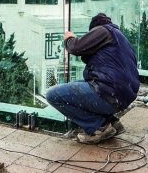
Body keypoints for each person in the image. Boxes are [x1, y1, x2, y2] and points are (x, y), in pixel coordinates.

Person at [45, 13, 139, 144]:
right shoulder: (122, 40)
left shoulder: (104, 30)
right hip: (121, 97)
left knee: (52, 94)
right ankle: (111, 121)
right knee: (76, 84)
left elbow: (77, 48)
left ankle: (98, 127)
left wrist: (69, 38)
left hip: (109, 94)